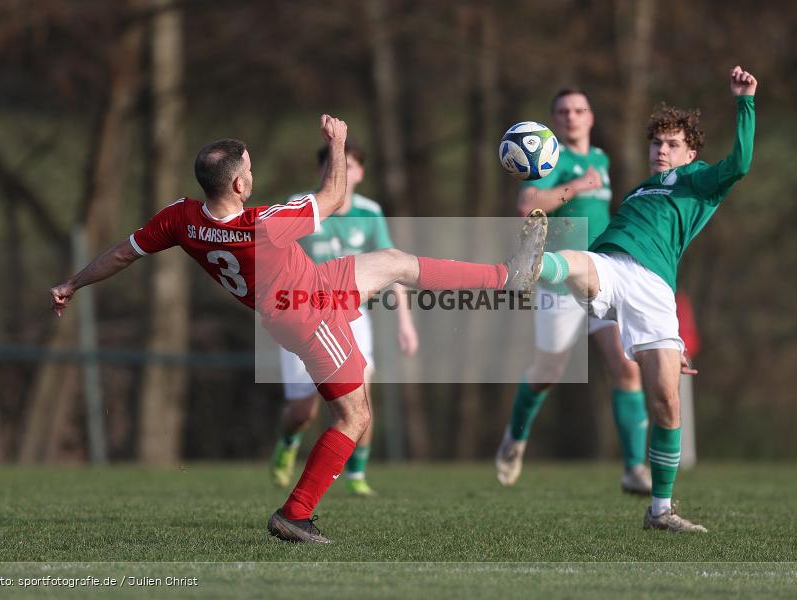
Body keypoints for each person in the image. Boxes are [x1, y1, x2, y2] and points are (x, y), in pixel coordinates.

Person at [50, 115, 548, 544]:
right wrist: (337, 140)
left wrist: (74, 282)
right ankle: (295, 514)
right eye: (249, 168)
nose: (253, 173)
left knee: (394, 262)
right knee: (355, 417)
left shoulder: (180, 218)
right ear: (240, 185)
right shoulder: (264, 223)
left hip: (308, 287)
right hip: (310, 310)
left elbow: (121, 253)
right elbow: (333, 197)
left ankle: (507, 278)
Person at [534, 66, 757, 532]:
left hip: (654, 290)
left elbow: (740, 164)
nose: (662, 149)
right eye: (657, 143)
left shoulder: (699, 180)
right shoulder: (637, 190)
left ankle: (660, 511)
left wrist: (744, 101)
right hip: (612, 265)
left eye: (673, 143)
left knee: (666, 404)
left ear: (690, 152)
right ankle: (532, 264)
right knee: (574, 262)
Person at [495, 87, 651, 495]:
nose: (572, 116)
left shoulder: (600, 158)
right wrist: (575, 187)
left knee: (626, 367)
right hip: (559, 281)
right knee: (548, 373)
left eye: (579, 109)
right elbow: (527, 204)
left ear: (591, 116)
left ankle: (635, 469)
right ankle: (515, 438)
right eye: (563, 111)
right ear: (553, 120)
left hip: (602, 275)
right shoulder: (551, 157)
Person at [270, 139, 418, 496]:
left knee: (362, 393)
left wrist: (405, 323)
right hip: (302, 316)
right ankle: (289, 441)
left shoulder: (369, 213)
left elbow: (392, 265)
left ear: (360, 173)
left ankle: (357, 474)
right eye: (334, 166)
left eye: (349, 166)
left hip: (351, 317)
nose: (341, 172)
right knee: (303, 410)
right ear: (322, 171)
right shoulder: (300, 208)